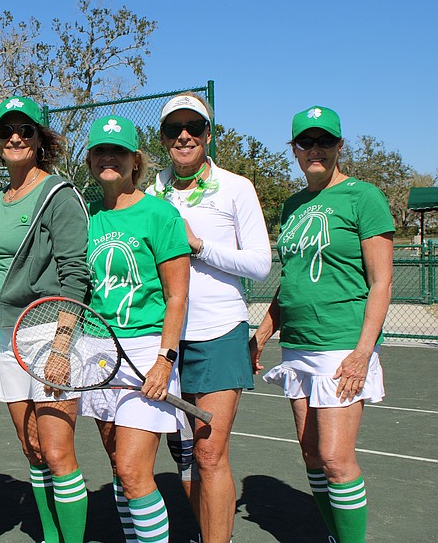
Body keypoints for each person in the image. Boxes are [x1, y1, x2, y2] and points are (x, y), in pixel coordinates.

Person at [251, 106, 393, 543]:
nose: (315, 149)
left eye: (325, 142)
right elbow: (291, 282)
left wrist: (362, 353)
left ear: (339, 147)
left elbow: (382, 281)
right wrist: (262, 332)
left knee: (335, 458)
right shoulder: (292, 206)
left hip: (341, 345)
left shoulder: (362, 197)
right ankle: (334, 536)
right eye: (306, 142)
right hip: (297, 345)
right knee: (312, 454)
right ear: (294, 149)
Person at [146, 93, 272, 543]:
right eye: (173, 129)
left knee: (210, 451)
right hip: (162, 337)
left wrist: (200, 247)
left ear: (207, 134)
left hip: (219, 333)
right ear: (162, 138)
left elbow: (260, 264)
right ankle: (206, 532)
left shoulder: (236, 187)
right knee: (183, 454)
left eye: (193, 128)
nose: (184, 136)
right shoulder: (149, 192)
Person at [0, 96, 90, 543]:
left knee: (58, 451)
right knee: (32, 449)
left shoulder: (60, 195)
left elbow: (75, 275)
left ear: (40, 139)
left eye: (26, 130)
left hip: (51, 332)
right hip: (8, 337)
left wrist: (63, 345)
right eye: (6, 130)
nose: (15, 137)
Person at [80, 115, 191, 542]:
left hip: (146, 352)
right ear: (90, 160)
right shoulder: (88, 218)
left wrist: (165, 360)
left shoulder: (160, 214)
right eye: (100, 151)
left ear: (135, 161)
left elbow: (177, 296)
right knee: (117, 467)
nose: (109, 158)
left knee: (132, 469)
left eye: (118, 151)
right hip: (99, 351)